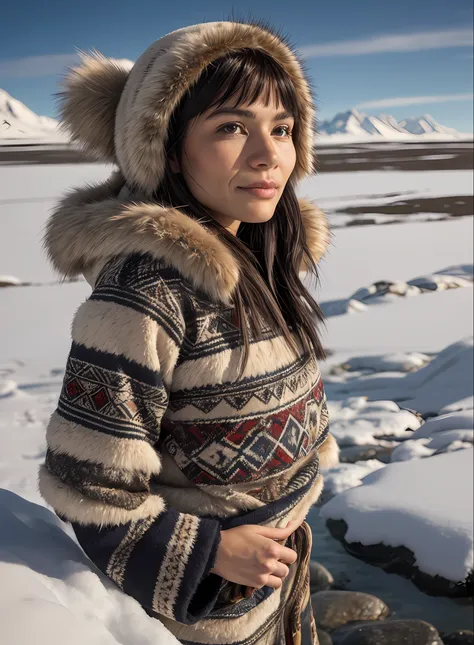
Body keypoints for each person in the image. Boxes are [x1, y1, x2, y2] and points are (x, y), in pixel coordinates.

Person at [38, 16, 339, 645]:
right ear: (168, 149)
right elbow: (87, 486)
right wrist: (212, 551)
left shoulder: (263, 262)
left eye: (282, 129)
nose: (269, 155)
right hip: (203, 621)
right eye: (231, 127)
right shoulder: (144, 293)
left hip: (281, 591)